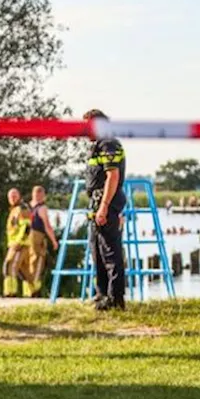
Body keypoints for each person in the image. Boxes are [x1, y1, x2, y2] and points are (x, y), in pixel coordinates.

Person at [84, 109, 127, 311]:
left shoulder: (109, 144)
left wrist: (104, 207)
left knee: (111, 253)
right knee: (97, 252)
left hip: (106, 203)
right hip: (97, 203)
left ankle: (115, 298)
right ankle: (101, 295)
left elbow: (113, 177)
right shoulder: (97, 145)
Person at [26, 185, 59, 297]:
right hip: (37, 236)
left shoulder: (26, 207)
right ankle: (35, 290)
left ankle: (27, 290)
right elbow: (47, 226)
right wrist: (54, 241)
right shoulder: (42, 208)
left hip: (24, 237)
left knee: (27, 262)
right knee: (38, 261)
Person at [2, 188, 32, 297]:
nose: (12, 198)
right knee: (23, 270)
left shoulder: (22, 208)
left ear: (19, 196)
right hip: (15, 243)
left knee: (10, 265)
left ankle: (10, 292)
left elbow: (27, 227)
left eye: (14, 196)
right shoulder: (14, 210)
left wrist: (19, 242)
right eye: (10, 197)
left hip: (20, 244)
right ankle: (32, 292)